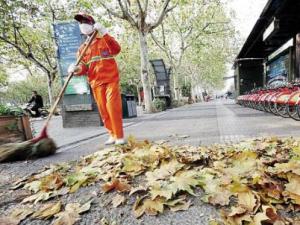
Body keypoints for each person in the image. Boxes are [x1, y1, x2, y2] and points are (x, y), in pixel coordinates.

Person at [68, 13, 125, 145]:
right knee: (103, 110)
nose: (83, 25)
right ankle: (112, 134)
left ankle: (119, 136)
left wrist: (104, 32)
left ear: (92, 24)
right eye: (80, 23)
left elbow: (116, 49)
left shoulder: (104, 40)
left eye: (85, 22)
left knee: (112, 107)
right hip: (96, 82)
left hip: (111, 79)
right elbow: (83, 68)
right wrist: (76, 69)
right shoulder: (82, 49)